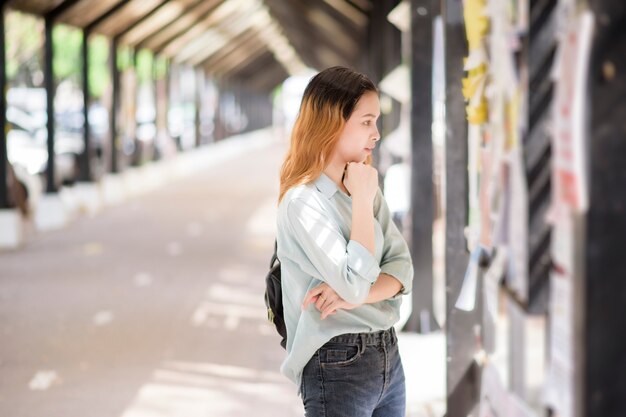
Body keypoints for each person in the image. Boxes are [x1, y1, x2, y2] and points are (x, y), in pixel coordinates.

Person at [276, 66, 414, 417]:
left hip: (388, 354)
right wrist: (364, 203)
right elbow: (355, 283)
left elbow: (402, 270)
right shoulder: (303, 202)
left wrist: (355, 297)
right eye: (367, 122)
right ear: (333, 122)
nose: (377, 134)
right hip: (336, 363)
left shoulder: (363, 183)